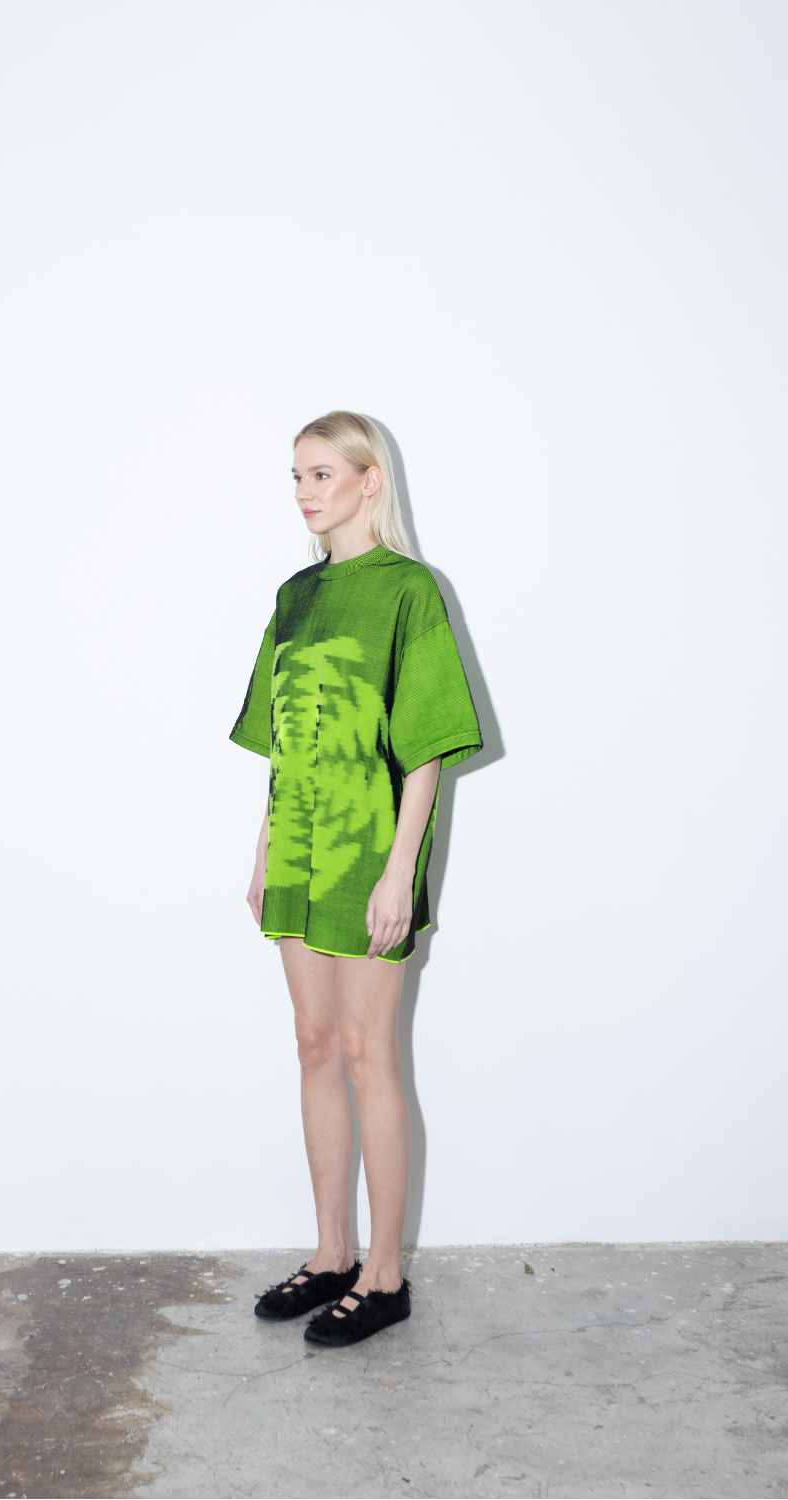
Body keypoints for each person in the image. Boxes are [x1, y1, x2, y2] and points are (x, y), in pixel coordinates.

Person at [230, 411, 482, 1347]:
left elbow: (426, 751)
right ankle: (332, 1253)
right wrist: (263, 851)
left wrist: (399, 873)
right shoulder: (294, 596)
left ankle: (384, 1275)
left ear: (370, 481)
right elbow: (280, 739)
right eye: (296, 476)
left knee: (372, 1054)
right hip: (298, 849)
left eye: (322, 474)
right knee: (314, 1045)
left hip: (371, 851)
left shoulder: (411, 590)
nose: (304, 492)